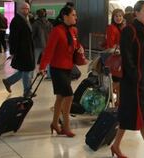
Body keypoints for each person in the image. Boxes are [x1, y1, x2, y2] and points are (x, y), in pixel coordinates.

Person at [111, 1, 144, 158]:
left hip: (141, 80)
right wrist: (136, 75)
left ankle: (116, 146)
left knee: (129, 114)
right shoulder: (129, 30)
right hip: (132, 81)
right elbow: (127, 56)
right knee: (142, 115)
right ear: (136, 13)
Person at [39, 4, 84, 137]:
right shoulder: (57, 30)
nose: (76, 17)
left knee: (60, 97)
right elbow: (49, 50)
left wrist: (80, 48)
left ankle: (54, 123)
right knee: (69, 96)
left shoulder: (74, 30)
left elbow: (76, 44)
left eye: (76, 15)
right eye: (73, 15)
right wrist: (42, 66)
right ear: (65, 16)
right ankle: (65, 126)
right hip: (57, 68)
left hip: (68, 68)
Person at [2, 2, 35, 97]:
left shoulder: (26, 19)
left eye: (28, 8)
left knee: (24, 70)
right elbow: (13, 38)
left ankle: (8, 81)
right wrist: (12, 51)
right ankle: (27, 91)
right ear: (19, 9)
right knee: (26, 70)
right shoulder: (16, 20)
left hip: (27, 49)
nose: (27, 10)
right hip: (21, 50)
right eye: (24, 8)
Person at [105, 8, 125, 107]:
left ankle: (119, 102)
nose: (118, 18)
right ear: (113, 17)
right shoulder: (111, 28)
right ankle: (106, 95)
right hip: (114, 58)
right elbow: (110, 45)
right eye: (116, 16)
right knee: (117, 81)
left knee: (120, 82)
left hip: (121, 58)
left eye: (120, 16)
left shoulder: (122, 28)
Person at [32, 8, 52, 77]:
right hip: (47, 44)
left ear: (37, 15)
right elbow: (52, 33)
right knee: (47, 60)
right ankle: (49, 75)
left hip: (37, 44)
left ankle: (31, 75)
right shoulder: (49, 23)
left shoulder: (36, 23)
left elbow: (33, 34)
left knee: (34, 60)